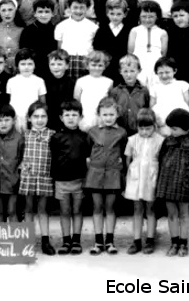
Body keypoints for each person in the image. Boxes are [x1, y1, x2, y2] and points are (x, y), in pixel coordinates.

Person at [156, 108, 189, 257]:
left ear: (186, 128)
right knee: (172, 214)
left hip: (185, 184)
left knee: (184, 215)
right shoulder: (168, 141)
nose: (172, 131)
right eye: (170, 128)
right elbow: (161, 160)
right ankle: (174, 242)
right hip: (168, 183)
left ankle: (183, 244)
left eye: (175, 128)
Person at [85, 97, 128, 256]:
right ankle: (98, 241)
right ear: (99, 115)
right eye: (105, 114)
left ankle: (109, 241)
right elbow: (89, 152)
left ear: (117, 115)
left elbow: (124, 152)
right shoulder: (92, 131)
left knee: (110, 207)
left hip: (113, 174)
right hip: (96, 174)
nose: (108, 117)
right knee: (97, 207)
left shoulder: (121, 132)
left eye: (111, 114)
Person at [50, 100, 89, 255]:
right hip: (61, 180)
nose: (71, 118)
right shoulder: (56, 137)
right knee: (65, 211)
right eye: (67, 115)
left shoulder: (85, 137)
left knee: (77, 210)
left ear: (81, 117)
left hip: (79, 180)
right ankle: (66, 241)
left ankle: (76, 240)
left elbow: (88, 159)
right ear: (61, 117)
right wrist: (54, 180)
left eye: (74, 115)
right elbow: (53, 159)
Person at [124, 109, 165, 255]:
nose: (145, 132)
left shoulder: (160, 140)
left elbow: (162, 160)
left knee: (151, 209)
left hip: (151, 177)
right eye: (141, 128)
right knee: (137, 209)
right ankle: (136, 240)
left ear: (154, 126)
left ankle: (150, 239)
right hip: (136, 177)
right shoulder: (132, 140)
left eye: (148, 128)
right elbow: (128, 160)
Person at [19, 101, 56, 256]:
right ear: (29, 118)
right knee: (28, 208)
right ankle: (27, 241)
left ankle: (45, 241)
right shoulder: (24, 134)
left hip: (44, 175)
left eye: (43, 116)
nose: (39, 120)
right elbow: (20, 154)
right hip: (28, 176)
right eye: (36, 116)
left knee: (43, 209)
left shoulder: (52, 134)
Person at [0, 105, 24, 223]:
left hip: (13, 182)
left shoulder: (20, 139)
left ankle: (16, 240)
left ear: (14, 120)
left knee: (12, 210)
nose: (3, 123)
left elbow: (23, 159)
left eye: (7, 120)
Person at [55, 0, 98, 80]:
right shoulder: (61, 26)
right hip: (67, 62)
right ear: (69, 7)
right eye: (75, 7)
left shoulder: (93, 27)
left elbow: (94, 48)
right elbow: (59, 48)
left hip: (86, 62)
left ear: (87, 8)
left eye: (82, 7)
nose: (78, 11)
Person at [7, 48, 47, 133]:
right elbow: (8, 100)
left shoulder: (39, 81)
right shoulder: (11, 81)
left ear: (35, 65)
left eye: (30, 64)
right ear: (17, 65)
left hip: (32, 118)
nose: (26, 67)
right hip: (16, 117)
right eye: (23, 64)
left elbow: (42, 102)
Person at [93, 0, 133, 84]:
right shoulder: (102, 30)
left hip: (123, 68)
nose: (115, 17)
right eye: (112, 14)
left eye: (119, 14)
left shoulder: (129, 30)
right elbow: (97, 48)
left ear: (125, 14)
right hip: (105, 68)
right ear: (107, 13)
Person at [129, 0, 168, 87]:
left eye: (151, 16)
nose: (147, 19)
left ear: (157, 16)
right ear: (139, 16)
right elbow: (130, 52)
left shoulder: (162, 33)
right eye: (144, 16)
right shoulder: (134, 31)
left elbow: (163, 54)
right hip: (139, 67)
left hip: (155, 67)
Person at [18, 0, 58, 81]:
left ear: (52, 13)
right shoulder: (28, 31)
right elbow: (24, 53)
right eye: (40, 11)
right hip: (33, 71)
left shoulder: (56, 30)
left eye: (47, 11)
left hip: (52, 71)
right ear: (35, 13)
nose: (43, 15)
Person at [149, 57, 189, 136]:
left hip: (179, 115)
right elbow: (152, 105)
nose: (164, 75)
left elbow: (187, 101)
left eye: (167, 72)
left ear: (174, 71)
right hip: (161, 119)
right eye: (160, 73)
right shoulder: (155, 87)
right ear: (156, 73)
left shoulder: (182, 84)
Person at [109, 54, 150, 135]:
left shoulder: (144, 91)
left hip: (138, 131)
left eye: (132, 71)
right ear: (120, 71)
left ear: (139, 71)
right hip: (119, 132)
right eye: (125, 71)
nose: (129, 75)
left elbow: (147, 109)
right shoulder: (115, 91)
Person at [74, 50, 114, 132]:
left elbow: (110, 101)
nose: (97, 68)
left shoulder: (109, 82)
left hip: (101, 119)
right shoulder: (81, 81)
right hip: (85, 118)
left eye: (100, 65)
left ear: (105, 66)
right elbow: (76, 101)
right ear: (87, 65)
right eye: (93, 65)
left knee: (99, 142)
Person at [165, 0, 189, 86]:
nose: (179, 19)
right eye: (175, 16)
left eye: (182, 15)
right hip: (175, 72)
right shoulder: (169, 33)